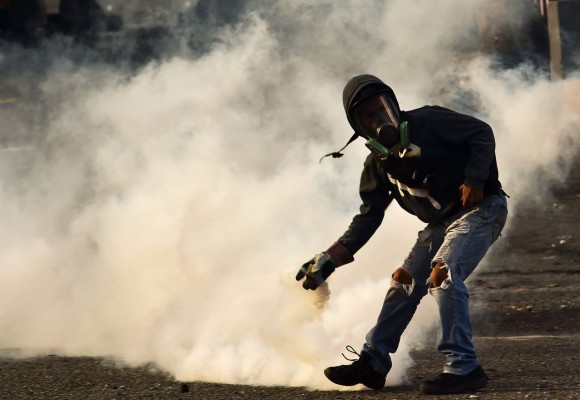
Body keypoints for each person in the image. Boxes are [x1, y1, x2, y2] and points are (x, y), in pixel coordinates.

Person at [295, 74, 508, 395]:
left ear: (393, 104)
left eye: (381, 108)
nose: (378, 119)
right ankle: (374, 361)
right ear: (357, 127)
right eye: (367, 116)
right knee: (403, 280)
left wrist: (475, 179)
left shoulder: (429, 121)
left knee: (443, 274)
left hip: (483, 208)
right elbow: (368, 218)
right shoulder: (378, 166)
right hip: (441, 223)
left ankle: (465, 368)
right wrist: (329, 258)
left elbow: (482, 133)